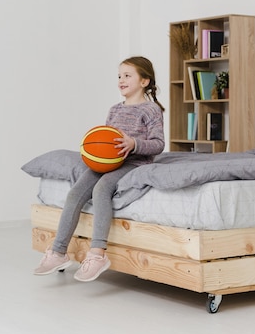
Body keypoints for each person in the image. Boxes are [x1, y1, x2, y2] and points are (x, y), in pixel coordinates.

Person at [34, 56, 165, 282]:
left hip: (134, 162)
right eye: (119, 76)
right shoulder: (114, 109)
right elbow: (104, 139)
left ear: (144, 81)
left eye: (127, 75)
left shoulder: (150, 110)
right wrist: (94, 151)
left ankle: (97, 254)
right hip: (108, 162)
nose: (121, 80)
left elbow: (159, 144)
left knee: (101, 189)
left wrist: (134, 144)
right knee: (75, 192)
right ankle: (58, 252)